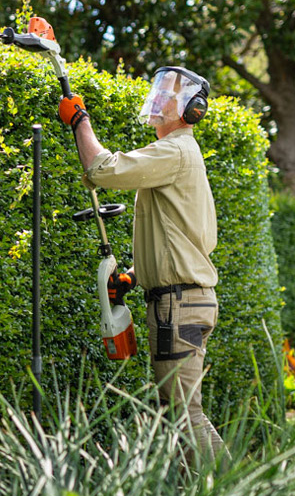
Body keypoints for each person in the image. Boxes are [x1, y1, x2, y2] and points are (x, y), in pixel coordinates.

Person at [58, 66, 226, 468]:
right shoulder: (179, 155)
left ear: (193, 109)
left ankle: (233, 495)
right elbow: (177, 235)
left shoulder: (176, 151)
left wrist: (80, 122)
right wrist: (135, 276)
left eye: (170, 95)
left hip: (179, 305)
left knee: (184, 414)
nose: (160, 101)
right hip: (182, 299)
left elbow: (101, 169)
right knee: (182, 411)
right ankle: (220, 492)